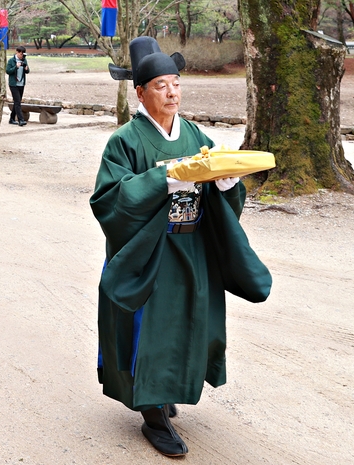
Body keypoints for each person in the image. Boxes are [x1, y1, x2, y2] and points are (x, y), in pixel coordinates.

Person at [90, 37, 272, 458]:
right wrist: (165, 179)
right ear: (140, 93)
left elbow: (217, 185)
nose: (172, 92)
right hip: (149, 254)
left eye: (175, 83)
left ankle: (167, 390)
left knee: (188, 325)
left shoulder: (193, 133)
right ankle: (153, 414)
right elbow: (108, 201)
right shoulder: (126, 140)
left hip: (191, 248)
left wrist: (227, 186)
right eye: (160, 86)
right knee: (150, 331)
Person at [5, 45, 29, 126]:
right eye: (21, 54)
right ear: (17, 52)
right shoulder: (11, 61)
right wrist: (16, 67)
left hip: (21, 84)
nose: (22, 56)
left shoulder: (24, 60)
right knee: (18, 102)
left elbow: (27, 71)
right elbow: (8, 71)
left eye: (23, 54)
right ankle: (21, 120)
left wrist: (26, 69)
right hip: (13, 84)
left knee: (16, 102)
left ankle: (12, 119)